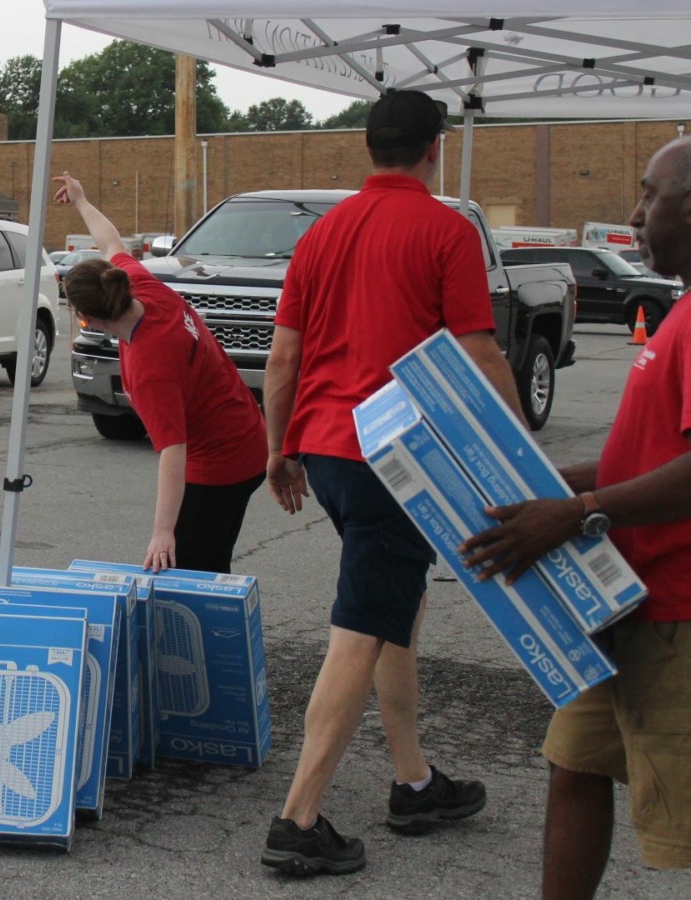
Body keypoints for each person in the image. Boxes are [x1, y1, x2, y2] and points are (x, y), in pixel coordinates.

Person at [258, 90, 528, 877]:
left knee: (393, 608)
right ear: (435, 149)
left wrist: (280, 449)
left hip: (330, 454)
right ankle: (298, 818)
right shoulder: (446, 229)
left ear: (367, 147)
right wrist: (521, 459)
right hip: (400, 460)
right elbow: (480, 353)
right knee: (362, 622)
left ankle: (414, 782)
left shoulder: (321, 233)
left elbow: (282, 358)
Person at [460, 135, 691, 897]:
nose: (634, 213)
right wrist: (560, 485)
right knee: (576, 763)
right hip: (623, 596)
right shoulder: (681, 313)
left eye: (649, 196)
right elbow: (655, 451)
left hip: (677, 617)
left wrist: (579, 509)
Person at [53, 171, 266, 573]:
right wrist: (81, 201)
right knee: (208, 562)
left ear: (86, 317)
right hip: (246, 436)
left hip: (224, 462)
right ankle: (217, 628)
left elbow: (173, 449)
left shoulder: (148, 366)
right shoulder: (141, 287)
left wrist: (163, 530)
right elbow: (111, 241)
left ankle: (211, 632)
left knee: (185, 572)